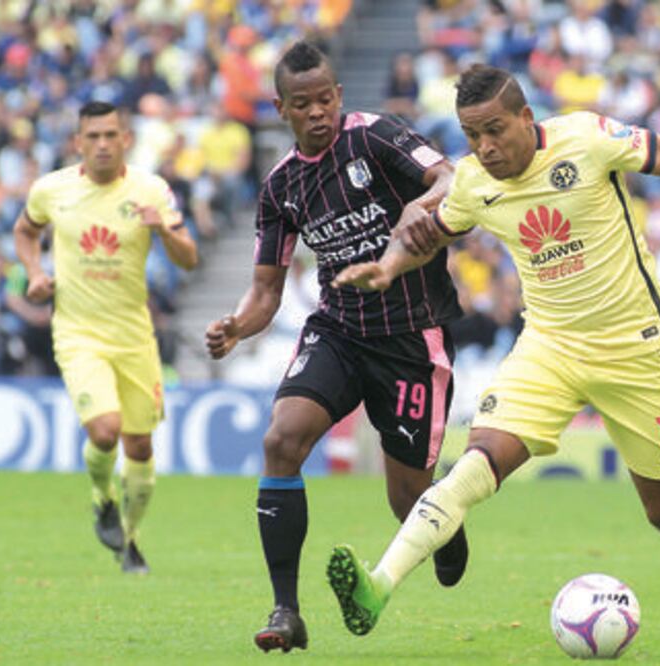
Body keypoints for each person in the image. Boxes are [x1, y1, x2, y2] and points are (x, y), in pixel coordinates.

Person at [325, 64, 660, 636]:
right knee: (474, 464)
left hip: (631, 352)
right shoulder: (472, 183)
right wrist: (387, 268)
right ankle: (378, 587)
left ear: (526, 118)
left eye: (495, 130)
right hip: (548, 348)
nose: (485, 148)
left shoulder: (585, 139)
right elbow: (427, 234)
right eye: (472, 135)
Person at [202, 42, 469, 654]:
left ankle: (445, 525)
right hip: (340, 330)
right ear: (280, 109)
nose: (318, 111)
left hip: (409, 337)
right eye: (303, 104)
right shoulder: (280, 187)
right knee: (281, 440)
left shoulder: (374, 136)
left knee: (408, 499)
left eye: (326, 99)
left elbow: (450, 177)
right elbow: (267, 290)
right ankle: (286, 610)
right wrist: (238, 326)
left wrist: (419, 210)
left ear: (339, 97)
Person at [12, 101, 198, 574]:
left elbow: (189, 258)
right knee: (105, 430)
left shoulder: (151, 190)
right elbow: (24, 231)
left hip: (135, 336)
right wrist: (34, 271)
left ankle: (129, 540)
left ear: (126, 140)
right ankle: (101, 497)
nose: (101, 144)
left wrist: (165, 232)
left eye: (110, 135)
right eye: (92, 136)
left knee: (140, 447)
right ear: (78, 141)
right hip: (77, 331)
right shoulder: (51, 190)